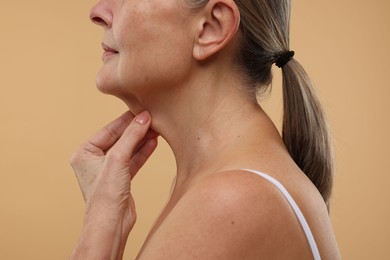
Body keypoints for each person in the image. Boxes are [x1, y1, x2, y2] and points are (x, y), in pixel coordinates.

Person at [69, 0, 341, 259]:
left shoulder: (231, 200)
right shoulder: (226, 185)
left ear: (212, 27)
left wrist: (97, 232)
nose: (98, 12)